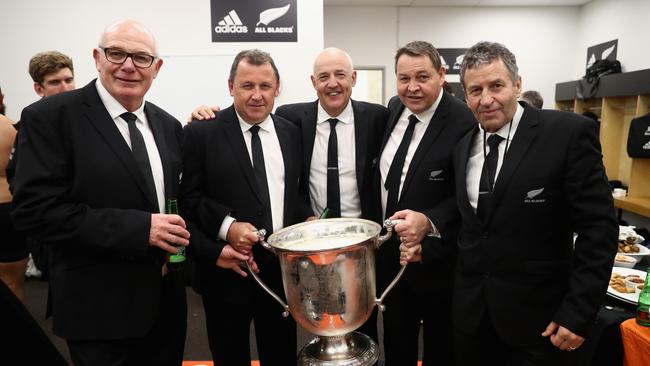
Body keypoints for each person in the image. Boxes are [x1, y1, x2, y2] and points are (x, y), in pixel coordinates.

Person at [401, 41, 618, 365]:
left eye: (496, 86)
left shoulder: (566, 134)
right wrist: (428, 248)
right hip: (470, 320)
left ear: (517, 84)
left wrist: (579, 312)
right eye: (475, 90)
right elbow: (474, 229)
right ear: (464, 94)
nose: (486, 99)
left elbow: (599, 229)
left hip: (538, 325)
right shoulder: (464, 149)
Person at [11, 20, 190, 366]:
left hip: (166, 309)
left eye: (140, 57)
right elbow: (34, 211)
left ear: (157, 68)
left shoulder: (169, 126)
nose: (128, 65)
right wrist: (140, 230)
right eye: (116, 53)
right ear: (97, 58)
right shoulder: (50, 118)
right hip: (98, 311)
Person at [181, 49, 309, 366]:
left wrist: (308, 222)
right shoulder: (201, 132)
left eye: (265, 86)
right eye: (246, 85)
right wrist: (227, 228)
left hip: (280, 276)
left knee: (281, 356)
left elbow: (293, 196)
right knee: (229, 357)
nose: (256, 95)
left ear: (277, 87)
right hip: (227, 273)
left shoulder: (291, 133)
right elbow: (188, 202)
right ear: (230, 87)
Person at [377, 40, 475, 366]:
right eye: (404, 78)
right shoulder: (393, 108)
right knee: (397, 343)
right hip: (392, 258)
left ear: (442, 74)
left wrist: (429, 222)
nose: (413, 87)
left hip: (438, 261)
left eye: (422, 77)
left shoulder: (465, 121)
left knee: (440, 348)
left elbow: (470, 195)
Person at [6, 51, 77, 283]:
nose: (65, 87)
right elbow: (17, 177)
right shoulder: (34, 122)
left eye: (68, 79)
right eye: (55, 82)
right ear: (39, 88)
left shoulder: (88, 116)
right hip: (59, 228)